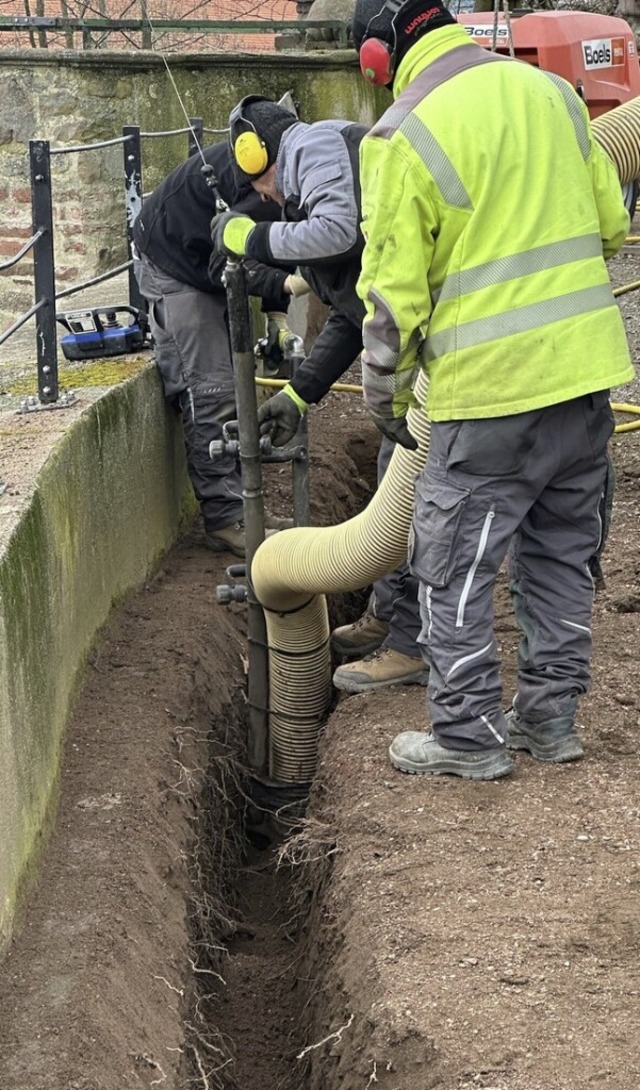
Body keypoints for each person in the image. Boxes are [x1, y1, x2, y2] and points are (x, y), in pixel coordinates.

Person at [351, 0, 634, 779]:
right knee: (561, 559)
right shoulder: (553, 95)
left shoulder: (399, 135)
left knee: (453, 565)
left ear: (380, 59)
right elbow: (610, 225)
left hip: (488, 395)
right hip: (584, 381)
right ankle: (549, 723)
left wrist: (387, 397)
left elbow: (390, 301)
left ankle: (468, 737)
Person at [210, 94, 429, 692]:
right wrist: (300, 395)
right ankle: (391, 619)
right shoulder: (326, 177)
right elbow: (351, 311)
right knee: (397, 482)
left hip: (443, 359)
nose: (271, 202)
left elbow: (329, 236)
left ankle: (413, 644)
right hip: (422, 355)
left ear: (261, 155)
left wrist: (250, 239)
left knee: (416, 499)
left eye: (263, 188)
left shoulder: (312, 147)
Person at [132, 138, 298, 558]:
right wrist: (281, 285)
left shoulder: (297, 178)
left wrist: (277, 316)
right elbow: (221, 261)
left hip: (208, 258)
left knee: (236, 382)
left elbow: (285, 246)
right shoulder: (252, 187)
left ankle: (247, 508)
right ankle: (225, 520)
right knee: (211, 388)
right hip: (173, 261)